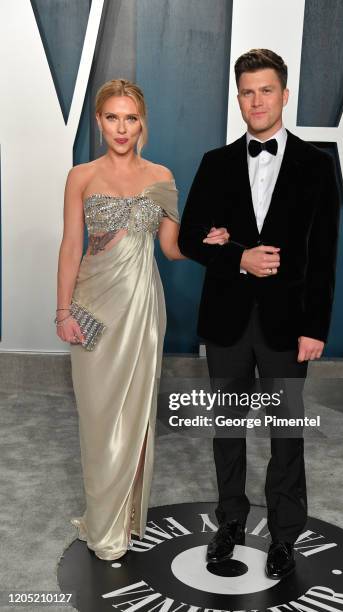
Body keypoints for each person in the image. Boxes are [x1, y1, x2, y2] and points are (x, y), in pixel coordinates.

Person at [178, 49, 340, 579]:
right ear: (238, 97)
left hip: (287, 325)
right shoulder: (215, 162)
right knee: (227, 427)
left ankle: (285, 535)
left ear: (284, 94)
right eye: (247, 91)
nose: (256, 100)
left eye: (266, 90)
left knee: (285, 431)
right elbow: (188, 238)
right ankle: (229, 523)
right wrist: (236, 256)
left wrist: (315, 327)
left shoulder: (317, 166)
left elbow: (324, 255)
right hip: (225, 321)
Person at [56, 79, 228, 561]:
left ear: (142, 122)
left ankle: (123, 522)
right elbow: (71, 246)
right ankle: (101, 517)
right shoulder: (81, 176)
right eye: (112, 117)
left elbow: (171, 250)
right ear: (98, 121)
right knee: (96, 417)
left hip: (142, 309)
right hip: (91, 307)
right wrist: (62, 310)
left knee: (133, 417)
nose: (121, 127)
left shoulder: (162, 176)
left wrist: (206, 245)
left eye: (130, 118)